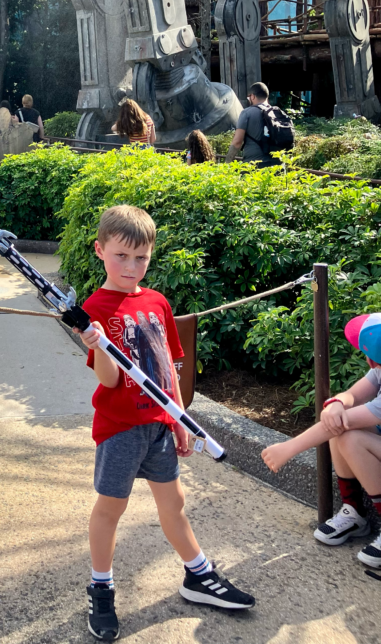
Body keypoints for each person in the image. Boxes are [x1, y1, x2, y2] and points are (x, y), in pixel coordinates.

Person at [74, 205, 255, 640]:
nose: (131, 267)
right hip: (119, 430)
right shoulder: (95, 307)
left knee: (173, 504)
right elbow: (111, 378)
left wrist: (180, 418)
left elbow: (167, 366)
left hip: (159, 425)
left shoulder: (157, 302)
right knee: (110, 510)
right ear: (100, 250)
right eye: (121, 256)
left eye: (141, 258)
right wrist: (96, 345)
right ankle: (101, 588)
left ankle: (198, 575)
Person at [262, 313, 381, 571]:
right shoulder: (379, 372)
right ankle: (355, 513)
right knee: (340, 431)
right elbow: (352, 395)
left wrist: (287, 449)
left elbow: (346, 421)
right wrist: (336, 403)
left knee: (348, 435)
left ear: (372, 359)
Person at [226, 82, 275, 165]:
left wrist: (227, 163)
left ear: (252, 96)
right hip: (278, 165)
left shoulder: (247, 113)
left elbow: (237, 141)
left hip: (254, 166)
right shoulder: (278, 113)